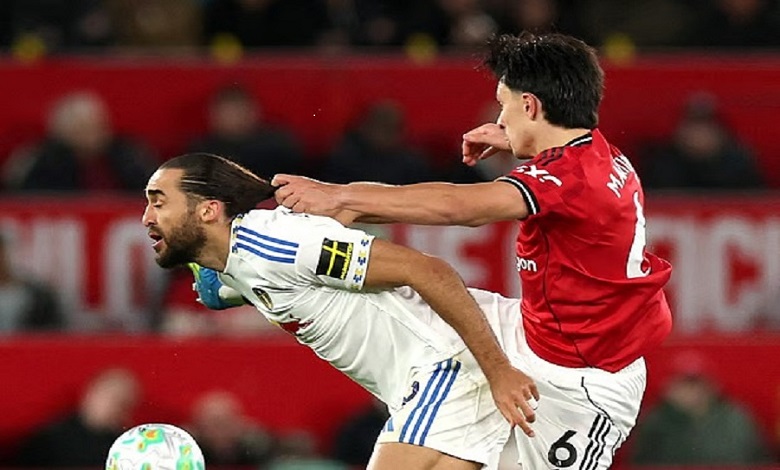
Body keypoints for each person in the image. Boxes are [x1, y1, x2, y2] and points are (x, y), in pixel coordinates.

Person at [273, 31, 673, 470]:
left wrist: (341, 197)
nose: (501, 117)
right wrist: (517, 138)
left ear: (530, 106)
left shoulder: (568, 179)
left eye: (504, 105)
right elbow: (562, 168)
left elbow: (459, 207)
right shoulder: (599, 153)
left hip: (586, 383)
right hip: (537, 336)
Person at [142, 152, 537, 470]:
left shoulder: (280, 245)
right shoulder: (237, 263)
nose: (147, 217)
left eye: (159, 202)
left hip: (448, 365)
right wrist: (216, 289)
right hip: (450, 373)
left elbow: (428, 271)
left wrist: (498, 371)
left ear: (209, 211)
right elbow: (230, 286)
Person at [631, 351, 772, 466]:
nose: (692, 392)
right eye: (684, 384)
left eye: (697, 383)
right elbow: (638, 463)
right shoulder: (654, 422)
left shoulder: (737, 419)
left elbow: (762, 460)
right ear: (669, 387)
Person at [15, 368, 141, 467]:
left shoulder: (126, 447)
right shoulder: (50, 439)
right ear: (90, 394)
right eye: (110, 397)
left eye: (123, 402)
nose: (113, 405)